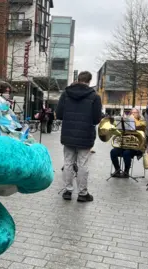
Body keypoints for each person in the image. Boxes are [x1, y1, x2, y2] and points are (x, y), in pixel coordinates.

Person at [56, 71, 102, 202]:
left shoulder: (66, 94)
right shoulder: (94, 96)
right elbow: (96, 119)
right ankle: (82, 193)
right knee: (83, 164)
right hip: (85, 134)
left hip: (68, 134)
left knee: (68, 162)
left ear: (78, 79)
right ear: (89, 81)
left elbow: (59, 114)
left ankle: (67, 191)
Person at [110, 108, 147, 178]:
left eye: (135, 112)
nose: (133, 114)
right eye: (132, 112)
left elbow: (140, 127)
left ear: (138, 113)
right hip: (124, 145)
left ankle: (126, 172)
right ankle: (117, 170)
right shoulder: (126, 122)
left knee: (126, 153)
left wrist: (132, 120)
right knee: (113, 152)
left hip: (136, 147)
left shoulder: (142, 122)